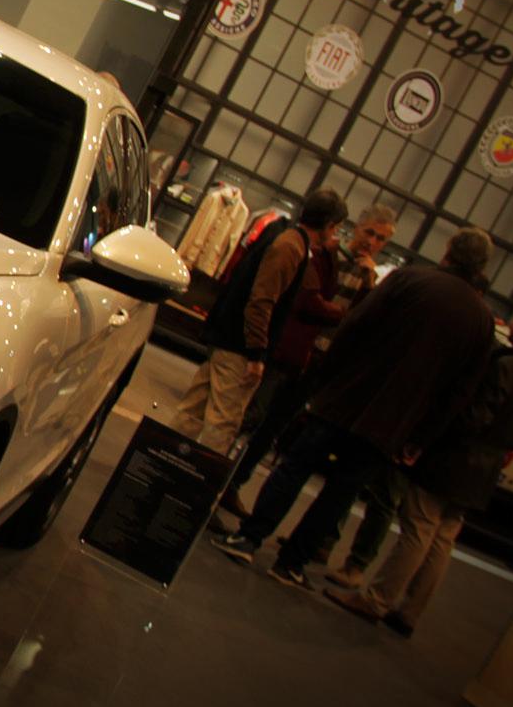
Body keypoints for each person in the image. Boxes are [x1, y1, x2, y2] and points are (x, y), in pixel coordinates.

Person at [210, 228, 497, 589]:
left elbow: (354, 326)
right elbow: (460, 392)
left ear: (448, 251)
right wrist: (420, 437)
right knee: (340, 493)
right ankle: (292, 563)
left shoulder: (408, 280)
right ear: (481, 266)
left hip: (346, 398)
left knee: (295, 468)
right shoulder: (481, 322)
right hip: (394, 423)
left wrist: (325, 380)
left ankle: (249, 538)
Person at [325, 300, 513, 635]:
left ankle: (376, 599)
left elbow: (475, 416)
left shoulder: (506, 365)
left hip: (455, 459)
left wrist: (430, 438)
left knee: (418, 528)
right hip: (485, 469)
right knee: (444, 537)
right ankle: (409, 612)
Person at [222, 205, 396, 519]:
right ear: (357, 228)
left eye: (380, 239)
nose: (372, 242)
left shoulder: (368, 275)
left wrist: (369, 281)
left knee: (273, 428)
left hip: (319, 364)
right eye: (369, 233)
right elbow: (308, 302)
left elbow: (366, 320)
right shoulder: (326, 254)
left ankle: (233, 483)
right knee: (251, 416)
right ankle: (217, 478)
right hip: (290, 351)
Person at [173, 188, 347, 454]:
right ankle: (195, 474)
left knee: (194, 409)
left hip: (228, 337)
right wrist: (257, 354)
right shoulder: (291, 247)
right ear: (330, 225)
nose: (335, 234)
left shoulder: (285, 235)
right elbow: (262, 300)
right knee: (223, 421)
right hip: (240, 347)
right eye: (337, 228)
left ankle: (163, 459)